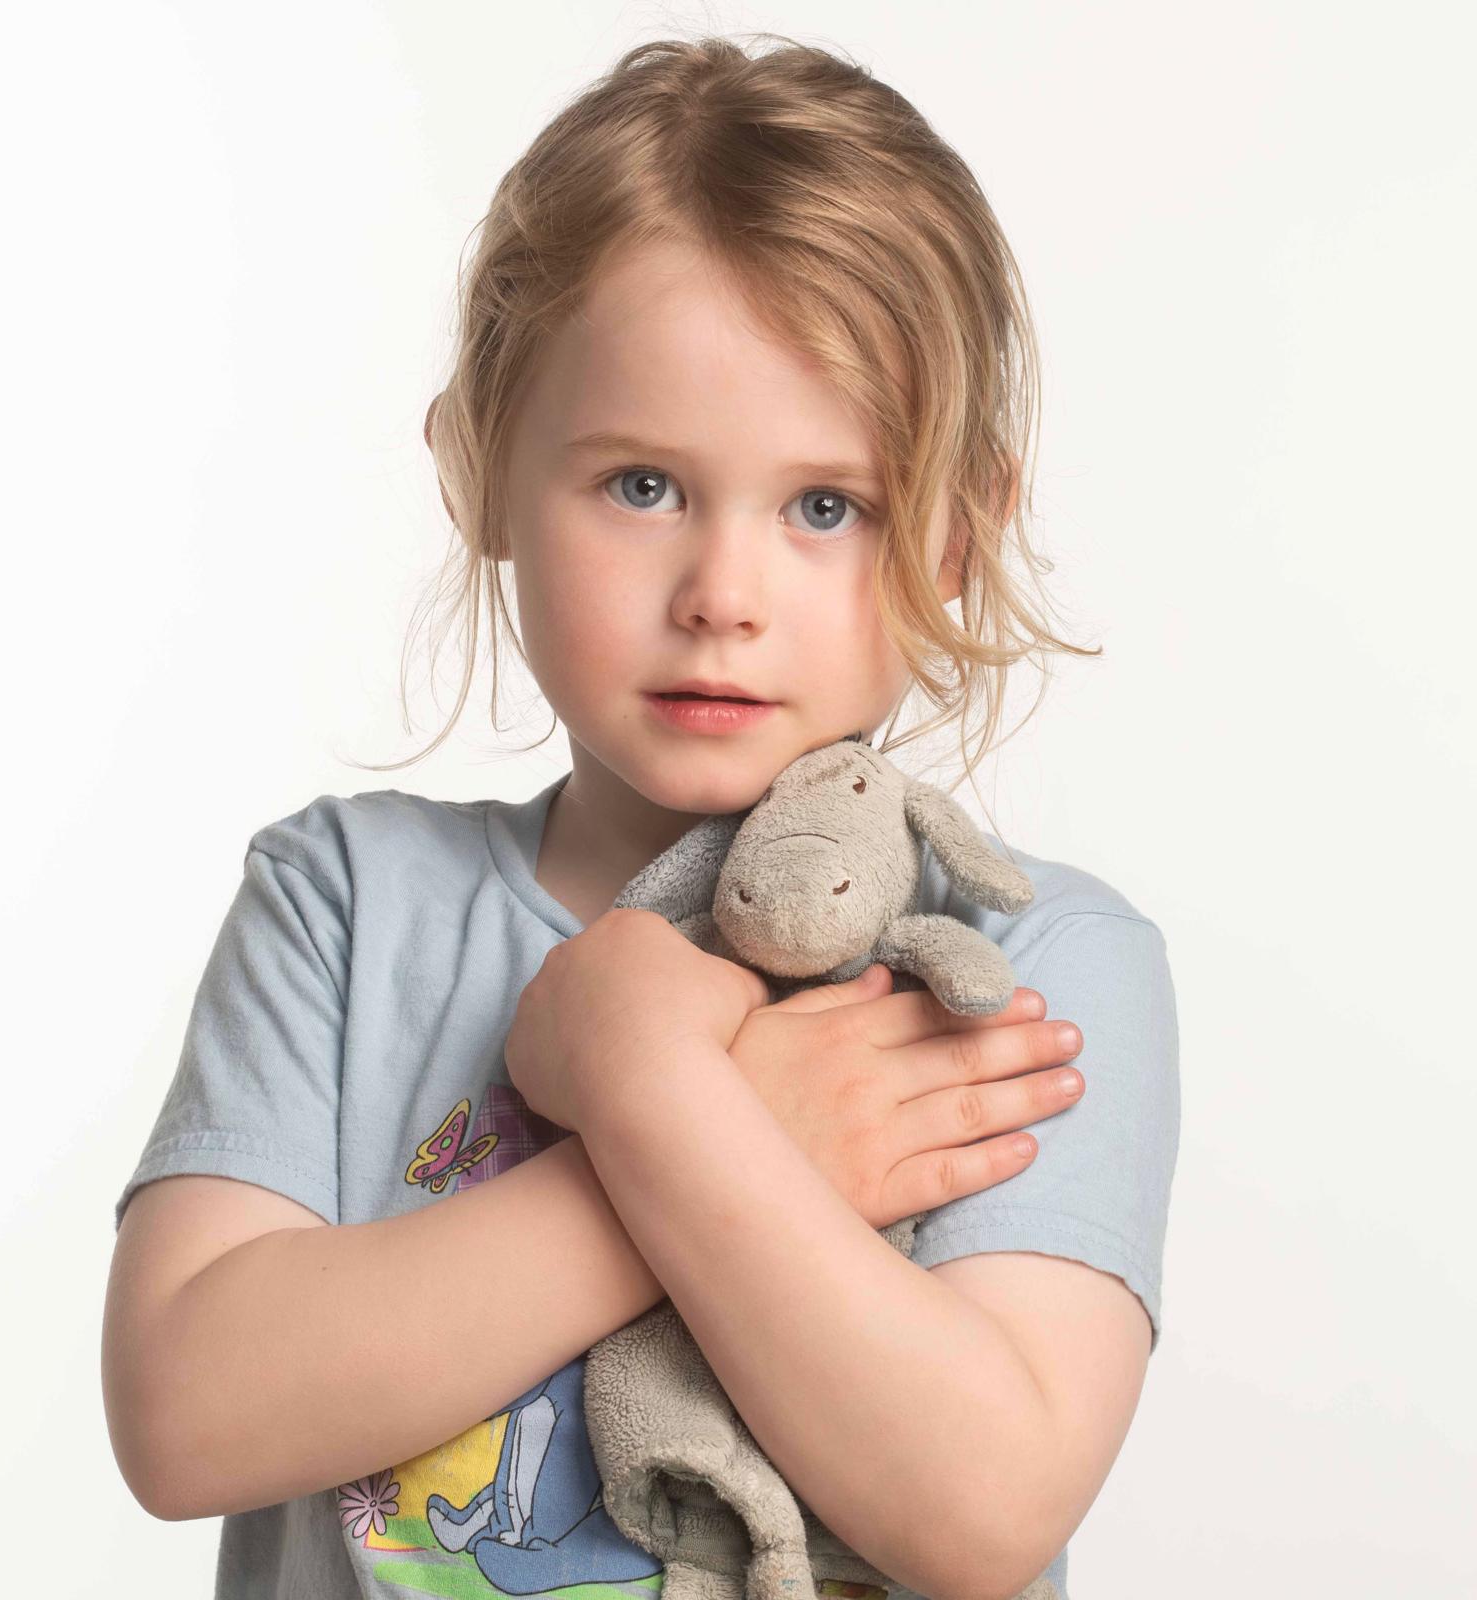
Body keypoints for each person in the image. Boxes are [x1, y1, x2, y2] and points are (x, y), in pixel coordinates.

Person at [102, 33, 1180, 1600]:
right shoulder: (344, 900)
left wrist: (648, 1085)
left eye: (826, 506)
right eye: (643, 487)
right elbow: (185, 1417)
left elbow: (983, 1513)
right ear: (480, 467)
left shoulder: (1033, 966)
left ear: (959, 534)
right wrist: (724, 1138)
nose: (723, 595)